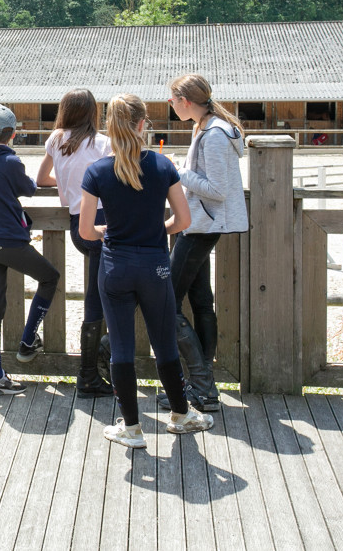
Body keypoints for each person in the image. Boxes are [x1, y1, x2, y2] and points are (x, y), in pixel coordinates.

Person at [79, 93, 213, 448]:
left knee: (122, 348)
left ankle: (133, 429)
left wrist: (105, 233)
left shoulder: (97, 171)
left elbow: (85, 230)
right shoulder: (162, 164)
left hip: (115, 266)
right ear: (142, 125)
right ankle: (182, 415)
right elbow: (183, 220)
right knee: (164, 342)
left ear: (110, 127)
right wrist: (157, 232)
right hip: (154, 265)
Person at [160, 74, 248, 413]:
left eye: (172, 98)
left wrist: (176, 170)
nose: (169, 104)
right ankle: (203, 387)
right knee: (200, 302)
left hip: (201, 225)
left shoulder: (212, 134)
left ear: (185, 100)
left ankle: (200, 385)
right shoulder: (210, 127)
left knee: (166, 300)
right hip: (200, 223)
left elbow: (218, 190)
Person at [0, 103, 61, 397]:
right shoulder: (10, 162)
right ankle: (27, 340)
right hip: (7, 240)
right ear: (12, 134)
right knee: (49, 277)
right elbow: (29, 188)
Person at [35, 88, 112, 397]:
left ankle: (90, 371)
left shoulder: (55, 140)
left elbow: (41, 179)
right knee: (107, 296)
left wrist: (69, 184)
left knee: (99, 295)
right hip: (103, 222)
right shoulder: (103, 143)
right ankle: (91, 371)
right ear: (93, 112)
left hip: (76, 225)